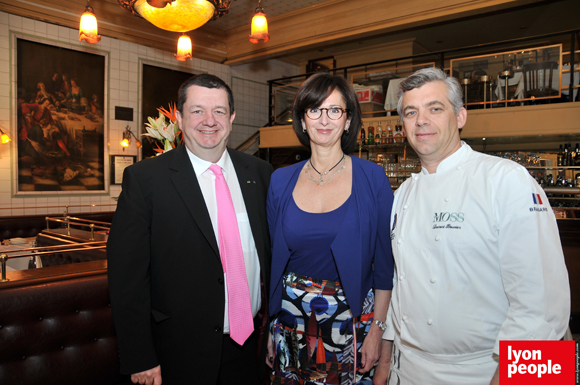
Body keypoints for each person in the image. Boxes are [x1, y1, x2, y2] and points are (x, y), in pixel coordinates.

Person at [375, 67, 570, 385]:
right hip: (406, 368)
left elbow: (545, 308)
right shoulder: (404, 194)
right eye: (411, 112)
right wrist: (385, 363)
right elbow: (403, 287)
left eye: (435, 108)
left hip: (482, 371)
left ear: (461, 116)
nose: (421, 120)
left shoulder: (506, 180)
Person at [107, 74, 273, 385]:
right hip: (178, 353)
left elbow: (270, 256)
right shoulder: (146, 180)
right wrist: (139, 356)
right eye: (197, 111)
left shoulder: (260, 174)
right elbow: (126, 279)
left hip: (250, 348)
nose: (209, 121)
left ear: (232, 117)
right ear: (180, 118)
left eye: (219, 111)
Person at [266, 72, 394, 385]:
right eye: (315, 110)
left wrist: (377, 329)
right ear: (302, 119)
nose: (325, 119)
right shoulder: (280, 180)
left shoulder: (372, 178)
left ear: (348, 120)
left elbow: (386, 266)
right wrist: (273, 326)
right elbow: (274, 262)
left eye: (335, 110)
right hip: (291, 319)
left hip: (349, 320)